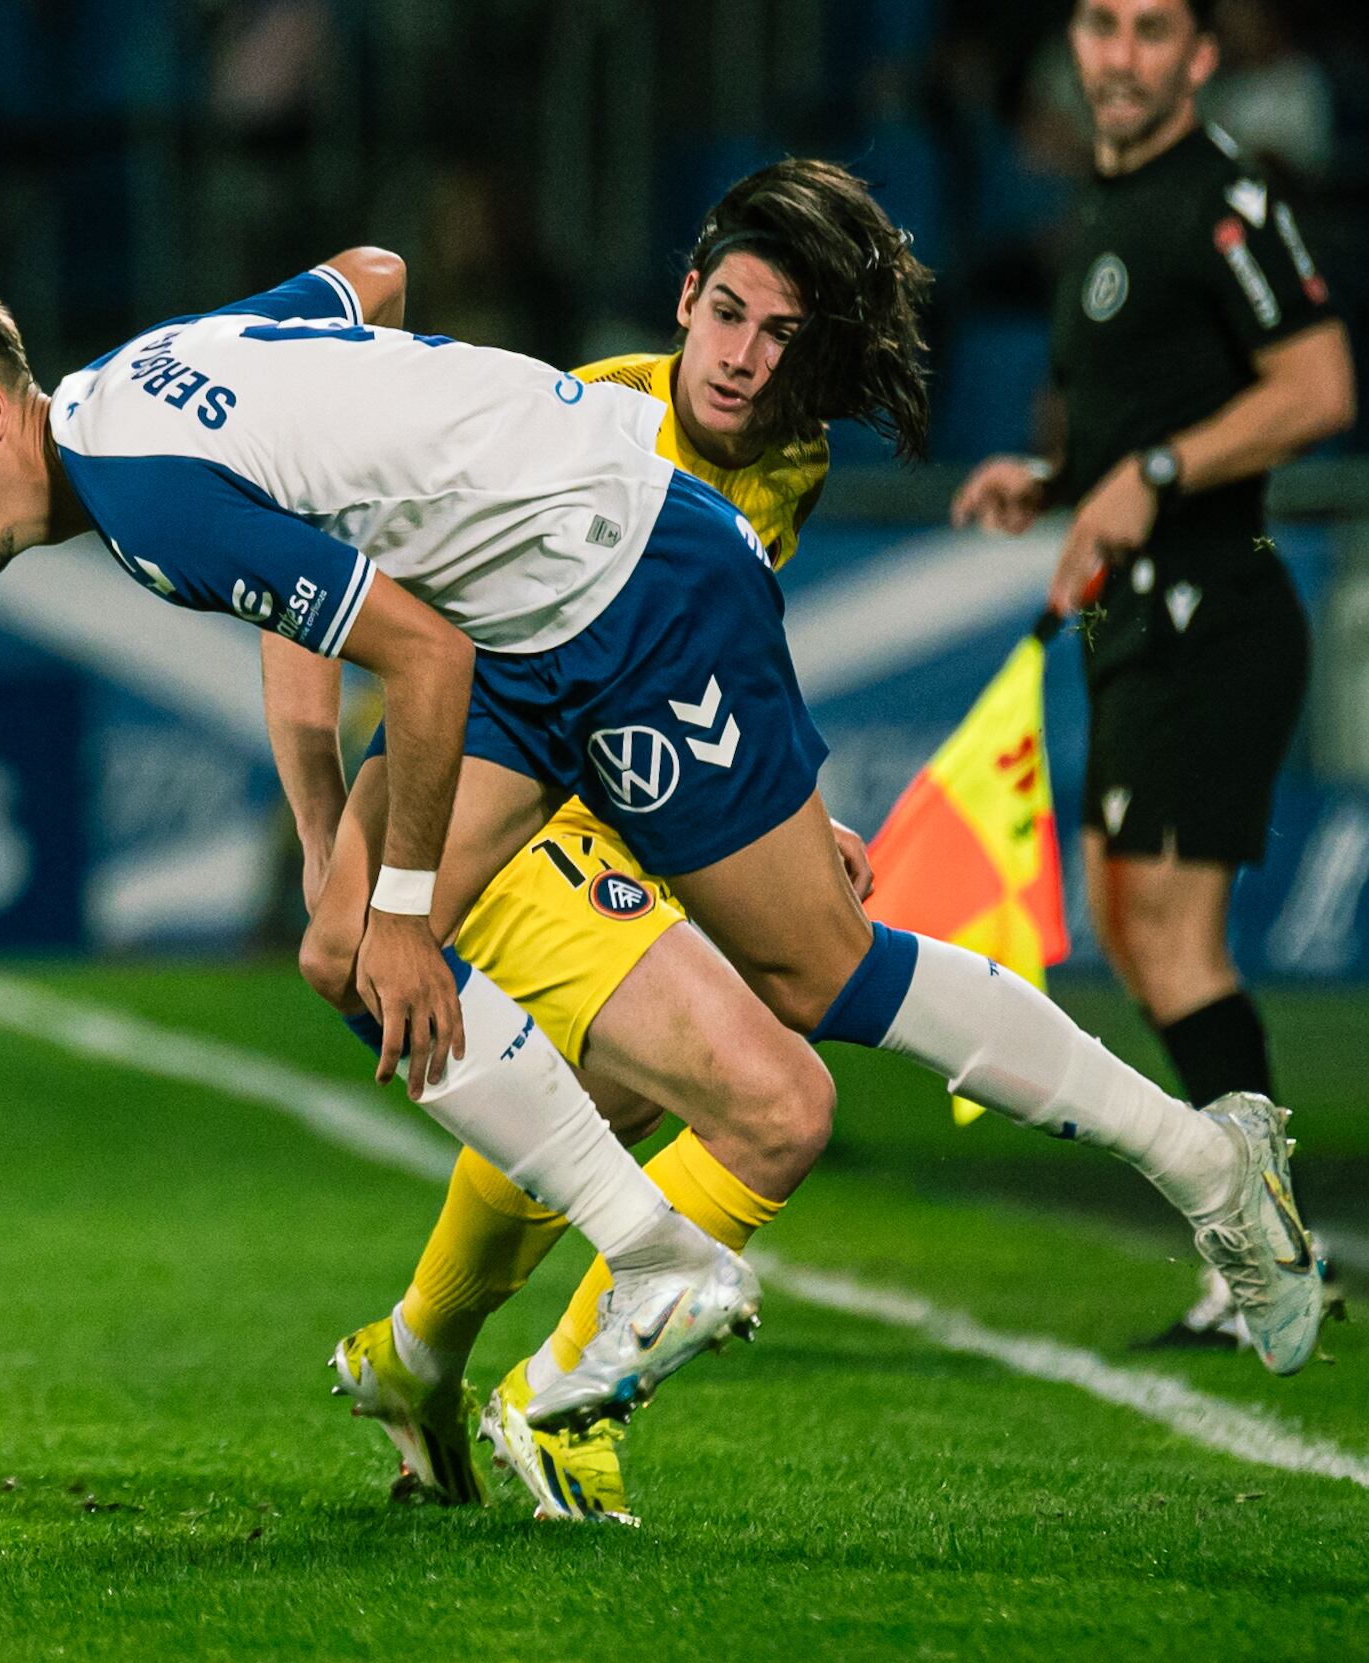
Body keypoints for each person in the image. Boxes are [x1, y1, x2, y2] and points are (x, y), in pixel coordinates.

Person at [0, 228, 1327, 1432]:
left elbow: (422, 658)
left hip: (634, 591)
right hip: (525, 611)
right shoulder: (155, 368)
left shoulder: (142, 496)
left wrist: (403, 910)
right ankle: (655, 1252)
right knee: (341, 944)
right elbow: (370, 277)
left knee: (822, 980)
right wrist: (388, 440)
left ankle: (1208, 1168)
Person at [267, 160, 920, 1522]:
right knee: (781, 1102)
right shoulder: (594, 426)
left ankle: (414, 1354)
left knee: (605, 1099)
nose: (742, 359)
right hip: (488, 822)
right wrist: (332, 827)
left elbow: (678, 671)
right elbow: (307, 576)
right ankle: (570, 1398)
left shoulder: (789, 462)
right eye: (726, 316)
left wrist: (785, 814)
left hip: (588, 805)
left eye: (780, 335)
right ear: (684, 301)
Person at [950, 0, 1354, 1350]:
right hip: (1141, 617)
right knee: (1134, 933)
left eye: (1152, 31)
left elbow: (1319, 386)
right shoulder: (1108, 211)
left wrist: (1152, 476)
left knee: (1172, 943)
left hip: (1215, 612)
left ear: (1198, 57)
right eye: (1102, 28)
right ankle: (1265, 1239)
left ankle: (1268, 1252)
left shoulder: (1222, 199)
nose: (1120, 56)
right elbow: (1147, 411)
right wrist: (1062, 480)